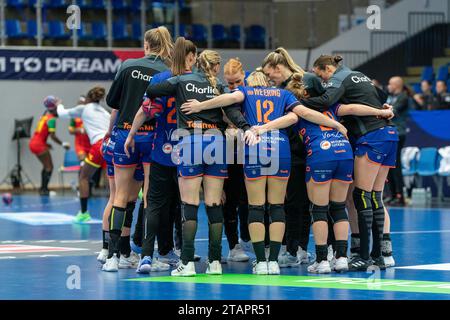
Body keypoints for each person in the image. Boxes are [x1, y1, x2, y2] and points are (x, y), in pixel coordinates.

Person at [180, 69, 349, 275]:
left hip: (256, 148)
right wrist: (335, 125)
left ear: (251, 82)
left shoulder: (246, 92)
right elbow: (302, 114)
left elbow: (228, 98)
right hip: (280, 149)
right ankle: (274, 262)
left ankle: (261, 261)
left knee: (256, 207)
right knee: (277, 206)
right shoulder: (283, 94)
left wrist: (200, 105)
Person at [251, 72, 394, 273]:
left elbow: (285, 121)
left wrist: (260, 128)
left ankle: (322, 260)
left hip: (321, 153)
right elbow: (354, 108)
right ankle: (342, 258)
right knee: (338, 208)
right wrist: (381, 111)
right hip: (344, 153)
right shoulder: (333, 106)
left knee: (319, 209)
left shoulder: (297, 108)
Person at [142, 44, 253, 277]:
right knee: (214, 205)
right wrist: (246, 128)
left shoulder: (182, 80)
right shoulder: (219, 85)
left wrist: (175, 81)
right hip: (217, 143)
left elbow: (153, 89)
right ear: (215, 67)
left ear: (196, 61)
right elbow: (233, 112)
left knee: (189, 205)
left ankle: (187, 263)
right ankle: (215, 262)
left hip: (190, 140)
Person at [302, 55, 399, 271]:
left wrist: (297, 102)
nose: (324, 82)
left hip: (372, 137)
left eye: (322, 76)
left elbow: (329, 101)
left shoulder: (340, 78)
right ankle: (381, 254)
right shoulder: (359, 75)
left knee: (361, 196)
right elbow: (379, 97)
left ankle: (365, 256)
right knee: (375, 196)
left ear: (328, 68)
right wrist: (384, 110)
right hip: (389, 133)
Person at [103, 26, 174, 271]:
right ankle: (147, 257)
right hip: (154, 136)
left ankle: (114, 257)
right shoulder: (167, 71)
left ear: (145, 44)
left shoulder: (127, 65)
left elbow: (112, 101)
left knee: (121, 196)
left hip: (125, 134)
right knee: (150, 199)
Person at [261, 47, 311, 266]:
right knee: (298, 202)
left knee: (294, 203)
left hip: (297, 151)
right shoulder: (283, 87)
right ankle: (299, 247)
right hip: (294, 150)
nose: (268, 78)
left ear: (276, 67)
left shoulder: (298, 85)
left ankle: (294, 249)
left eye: (268, 73)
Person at [56, 87, 110, 224]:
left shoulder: (84, 108)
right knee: (112, 182)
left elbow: (62, 114)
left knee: (84, 177)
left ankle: (84, 213)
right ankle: (119, 210)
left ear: (87, 99)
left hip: (99, 145)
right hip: (112, 145)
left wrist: (58, 105)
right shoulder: (105, 112)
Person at [222, 57, 251, 261]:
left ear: (245, 77)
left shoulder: (251, 91)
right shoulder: (224, 95)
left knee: (248, 199)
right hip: (229, 152)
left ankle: (251, 237)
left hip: (249, 152)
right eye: (230, 83)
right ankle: (233, 245)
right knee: (229, 199)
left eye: (237, 82)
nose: (233, 87)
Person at [29, 96, 70, 195]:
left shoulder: (44, 117)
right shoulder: (51, 119)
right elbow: (52, 136)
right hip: (39, 145)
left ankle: (43, 189)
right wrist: (63, 144)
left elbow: (40, 134)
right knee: (49, 167)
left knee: (46, 166)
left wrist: (46, 144)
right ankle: (44, 190)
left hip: (34, 143)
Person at [386, 76, 410, 206]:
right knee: (389, 164)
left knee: (396, 164)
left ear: (396, 85)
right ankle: (392, 194)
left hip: (398, 133)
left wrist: (382, 110)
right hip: (389, 132)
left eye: (390, 84)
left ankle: (400, 196)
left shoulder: (403, 97)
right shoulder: (389, 98)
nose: (388, 86)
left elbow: (392, 111)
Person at [68, 96, 91, 162]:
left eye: (82, 104)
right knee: (83, 162)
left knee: (92, 166)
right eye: (79, 104)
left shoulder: (91, 115)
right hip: (80, 146)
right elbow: (70, 130)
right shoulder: (74, 116)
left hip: (92, 145)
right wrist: (80, 130)